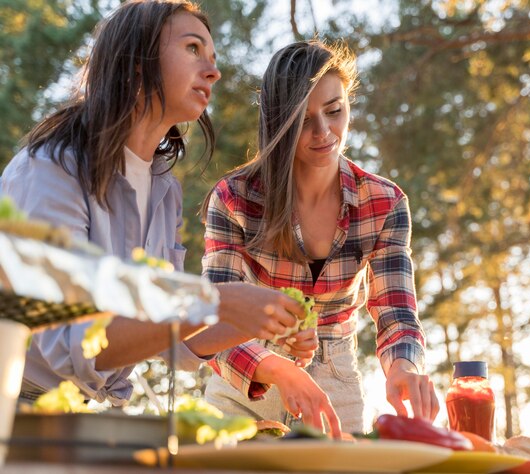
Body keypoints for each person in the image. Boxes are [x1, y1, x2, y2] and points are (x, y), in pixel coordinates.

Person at [0, 0, 303, 406]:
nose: (213, 71)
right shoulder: (50, 169)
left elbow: (167, 338)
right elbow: (72, 341)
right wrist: (218, 301)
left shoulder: (163, 188)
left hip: (81, 413)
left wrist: (259, 320)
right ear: (137, 61)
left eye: (212, 57)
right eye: (193, 48)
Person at [196, 39, 439, 437]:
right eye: (304, 120)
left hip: (335, 380)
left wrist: (403, 367)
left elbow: (396, 313)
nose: (324, 132)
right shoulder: (235, 198)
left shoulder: (384, 202)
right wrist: (277, 366)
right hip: (245, 378)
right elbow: (211, 316)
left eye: (334, 111)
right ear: (279, 121)